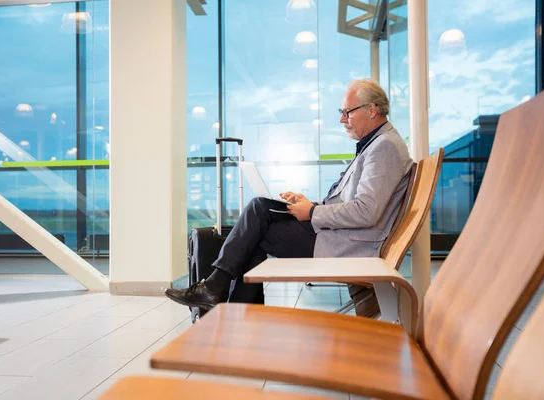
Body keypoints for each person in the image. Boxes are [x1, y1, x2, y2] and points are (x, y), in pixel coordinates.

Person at [165, 78, 413, 310]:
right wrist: (309, 204)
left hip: (349, 244)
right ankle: (224, 299)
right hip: (339, 234)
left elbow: (367, 211)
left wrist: (313, 212)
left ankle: (226, 302)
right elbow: (351, 202)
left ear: (371, 110)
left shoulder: (384, 148)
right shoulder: (375, 144)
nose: (342, 120)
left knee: (257, 225)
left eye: (347, 112)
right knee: (260, 211)